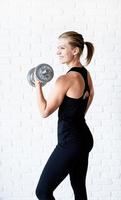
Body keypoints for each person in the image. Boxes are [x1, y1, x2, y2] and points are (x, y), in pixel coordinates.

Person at [35, 31, 94, 200]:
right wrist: (76, 116)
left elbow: (44, 111)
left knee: (42, 191)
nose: (58, 52)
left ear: (75, 51)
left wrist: (37, 85)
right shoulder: (85, 73)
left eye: (62, 48)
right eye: (57, 48)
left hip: (70, 142)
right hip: (84, 138)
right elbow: (90, 96)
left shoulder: (65, 79)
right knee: (79, 189)